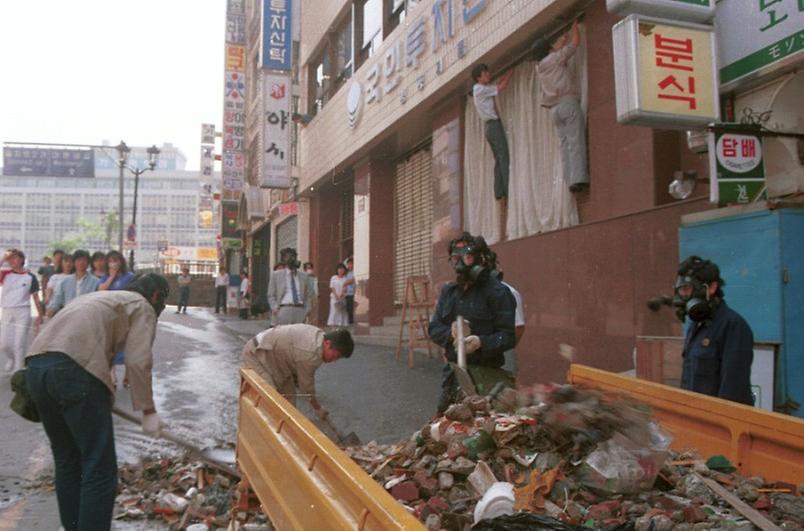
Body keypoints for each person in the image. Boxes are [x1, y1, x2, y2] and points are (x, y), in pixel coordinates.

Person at [25, 274, 169, 531]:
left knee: (68, 459)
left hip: (36, 369)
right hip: (73, 371)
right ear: (156, 296)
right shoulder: (142, 305)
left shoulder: (101, 298)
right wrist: (148, 411)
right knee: (99, 466)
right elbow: (138, 360)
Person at [429, 233, 516, 414]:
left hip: (487, 378)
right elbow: (434, 328)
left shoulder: (497, 292)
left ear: (478, 258)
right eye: (455, 258)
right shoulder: (449, 292)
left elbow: (508, 336)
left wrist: (481, 342)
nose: (460, 264)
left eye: (466, 257)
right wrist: (450, 334)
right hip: (454, 377)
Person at [674, 256, 754, 405]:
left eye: (688, 289)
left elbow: (733, 393)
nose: (684, 297)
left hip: (717, 424)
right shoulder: (696, 326)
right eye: (681, 290)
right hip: (696, 419)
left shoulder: (732, 326)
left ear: (711, 287)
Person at [242, 324, 353, 420]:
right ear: (327, 344)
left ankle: (287, 437)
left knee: (288, 404)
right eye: (335, 356)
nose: (333, 361)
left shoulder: (320, 337)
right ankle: (264, 436)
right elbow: (306, 386)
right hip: (257, 354)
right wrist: (318, 408)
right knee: (272, 399)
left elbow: (299, 376)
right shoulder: (310, 354)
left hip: (278, 359)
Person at [532, 19, 589, 193]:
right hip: (567, 103)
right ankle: (579, 179)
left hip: (554, 110)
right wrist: (575, 30)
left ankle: (569, 179)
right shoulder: (556, 58)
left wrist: (558, 45)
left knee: (565, 144)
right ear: (549, 49)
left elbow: (554, 55)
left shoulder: (539, 67)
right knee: (575, 140)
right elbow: (575, 44)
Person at [1, 249, 45, 372]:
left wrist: (40, 315)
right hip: (7, 310)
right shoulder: (5, 274)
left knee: (19, 343)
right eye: (10, 259)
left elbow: (36, 298)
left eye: (14, 258)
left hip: (23, 311)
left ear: (21, 259)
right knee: (4, 344)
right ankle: (11, 358)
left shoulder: (30, 277)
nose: (11, 261)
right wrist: (4, 257)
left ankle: (18, 372)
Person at [47, 249, 101, 317]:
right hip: (68, 315)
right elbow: (58, 299)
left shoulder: (96, 281)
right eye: (78, 260)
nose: (81, 263)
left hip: (87, 316)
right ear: (74, 262)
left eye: (84, 260)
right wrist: (52, 309)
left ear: (88, 263)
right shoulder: (65, 282)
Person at [267, 247, 312, 325]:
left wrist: (307, 309)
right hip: (284, 309)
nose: (292, 259)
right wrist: (275, 308)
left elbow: (307, 295)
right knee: (284, 335)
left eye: (293, 256)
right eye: (289, 257)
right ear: (284, 259)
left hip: (300, 309)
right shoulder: (276, 275)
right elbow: (271, 295)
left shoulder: (304, 276)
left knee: (298, 336)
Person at [327, 263, 350, 328]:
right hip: (334, 297)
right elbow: (332, 287)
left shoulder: (345, 279)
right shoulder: (333, 277)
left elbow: (346, 288)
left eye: (342, 269)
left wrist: (341, 294)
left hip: (342, 298)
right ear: (337, 270)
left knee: (341, 311)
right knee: (333, 311)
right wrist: (336, 295)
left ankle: (340, 325)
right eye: (339, 269)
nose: (341, 270)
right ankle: (333, 326)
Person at [344, 257, 356, 325]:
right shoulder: (346, 273)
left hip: (353, 293)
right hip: (347, 293)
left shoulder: (355, 272)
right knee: (348, 308)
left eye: (351, 264)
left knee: (351, 308)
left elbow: (352, 280)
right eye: (348, 264)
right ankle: (349, 321)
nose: (350, 265)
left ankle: (352, 322)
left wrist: (346, 282)